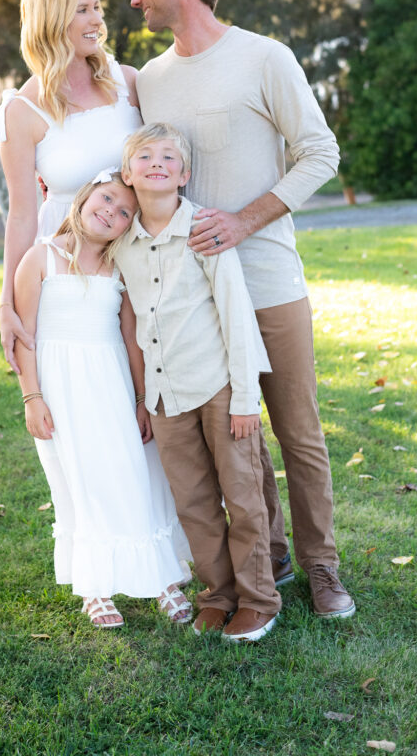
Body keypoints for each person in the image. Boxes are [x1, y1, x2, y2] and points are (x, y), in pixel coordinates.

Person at [130, 0, 355, 619]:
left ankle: (323, 569)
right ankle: (274, 559)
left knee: (297, 430)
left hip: (269, 280)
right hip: (196, 302)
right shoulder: (151, 80)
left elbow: (320, 152)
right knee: (238, 434)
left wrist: (244, 221)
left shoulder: (264, 57)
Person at [115, 123, 281, 641]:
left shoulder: (204, 230)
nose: (158, 163)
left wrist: (245, 399)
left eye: (169, 157)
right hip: (166, 396)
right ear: (128, 173)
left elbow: (236, 315)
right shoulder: (123, 244)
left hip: (219, 388)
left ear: (184, 174)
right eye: (145, 156)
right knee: (193, 501)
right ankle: (218, 593)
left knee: (242, 492)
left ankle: (259, 599)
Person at [13, 170, 192, 628]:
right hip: (60, 388)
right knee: (77, 480)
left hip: (110, 381)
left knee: (134, 472)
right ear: (86, 195)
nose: (110, 211)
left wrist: (139, 399)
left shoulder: (120, 267)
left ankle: (161, 579)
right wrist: (32, 396)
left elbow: (131, 337)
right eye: (107, 198)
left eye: (124, 212)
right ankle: (94, 588)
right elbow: (25, 337)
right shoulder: (40, 259)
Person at [0, 0, 142, 374]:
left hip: (138, 257)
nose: (97, 20)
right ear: (52, 20)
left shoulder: (129, 82)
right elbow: (21, 214)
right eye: (82, 11)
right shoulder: (21, 111)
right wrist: (7, 303)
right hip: (70, 272)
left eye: (96, 8)